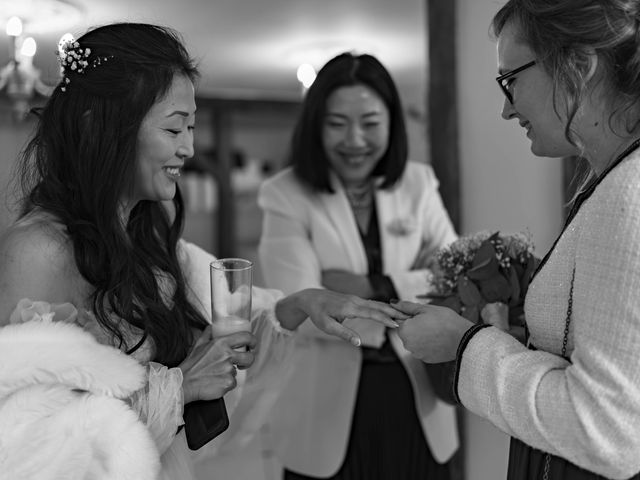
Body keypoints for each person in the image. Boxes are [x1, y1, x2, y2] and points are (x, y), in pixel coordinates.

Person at [0, 23, 405, 480]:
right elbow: (27, 444)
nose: (189, 148)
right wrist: (179, 387)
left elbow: (229, 310)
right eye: (174, 128)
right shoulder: (36, 252)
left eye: (190, 127)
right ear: (102, 129)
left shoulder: (151, 231)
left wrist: (301, 303)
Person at [394, 1, 640, 479]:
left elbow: (608, 430)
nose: (506, 109)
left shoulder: (628, 197)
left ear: (579, 68)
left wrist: (466, 344)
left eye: (511, 79)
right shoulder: (615, 183)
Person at [257, 52, 459, 479]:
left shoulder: (418, 183)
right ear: (316, 125)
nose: (354, 139)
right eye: (336, 123)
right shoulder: (285, 194)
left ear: (391, 123)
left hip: (417, 398)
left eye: (369, 122)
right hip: (323, 411)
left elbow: (456, 280)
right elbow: (301, 308)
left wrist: (371, 283)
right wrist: (412, 286)